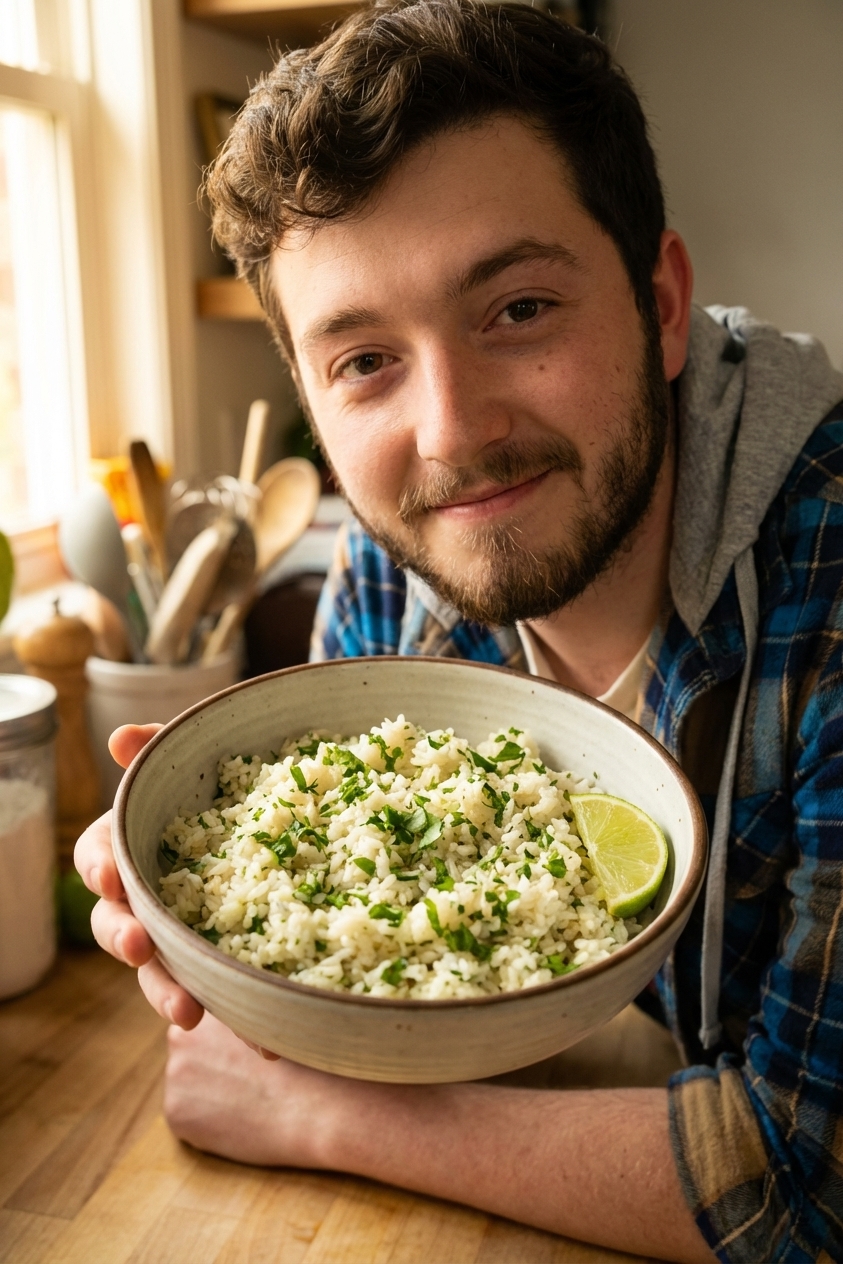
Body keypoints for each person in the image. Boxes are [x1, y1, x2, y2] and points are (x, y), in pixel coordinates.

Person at [75, 2, 843, 1260]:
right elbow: (339, 990)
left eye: (520, 309)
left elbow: (813, 1186)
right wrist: (219, 908)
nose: (448, 435)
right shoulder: (399, 560)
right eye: (365, 360)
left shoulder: (832, 577)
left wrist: (327, 1114)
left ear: (658, 305)